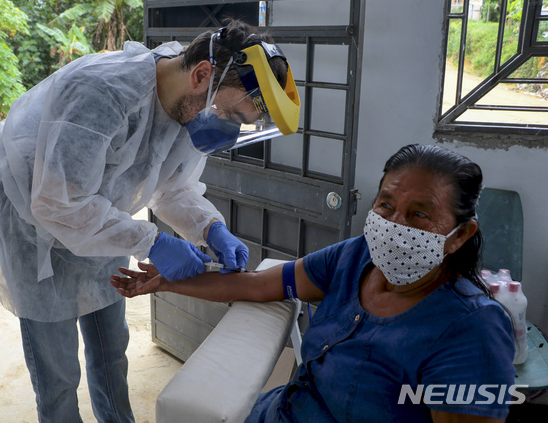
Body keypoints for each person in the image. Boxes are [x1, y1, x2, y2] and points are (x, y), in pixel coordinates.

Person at [0, 19, 300, 422]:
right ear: (201, 75)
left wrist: (211, 228)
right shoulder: (101, 92)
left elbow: (172, 186)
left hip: (103, 221)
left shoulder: (191, 109)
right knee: (58, 373)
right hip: (33, 227)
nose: (228, 128)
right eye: (230, 113)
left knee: (110, 349)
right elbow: (59, 204)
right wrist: (154, 242)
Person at [111, 144, 517, 422]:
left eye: (418, 215)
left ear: (460, 235)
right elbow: (254, 286)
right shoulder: (355, 256)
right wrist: (166, 283)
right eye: (386, 206)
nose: (395, 227)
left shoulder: (472, 332)